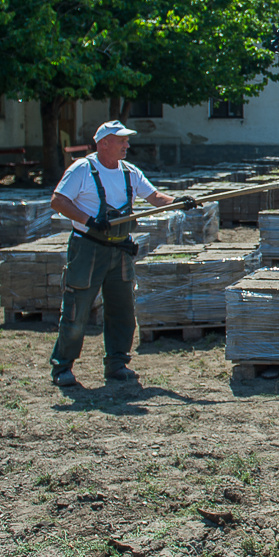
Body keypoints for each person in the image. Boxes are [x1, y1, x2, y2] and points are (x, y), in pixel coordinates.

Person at [48, 121, 187, 386]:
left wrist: (179, 202)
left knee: (122, 310)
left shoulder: (129, 172)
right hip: (87, 249)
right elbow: (58, 200)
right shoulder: (82, 170)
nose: (127, 145)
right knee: (77, 309)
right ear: (104, 144)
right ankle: (62, 367)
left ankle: (117, 364)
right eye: (121, 140)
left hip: (120, 250)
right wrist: (89, 221)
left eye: (126, 140)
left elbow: (155, 197)